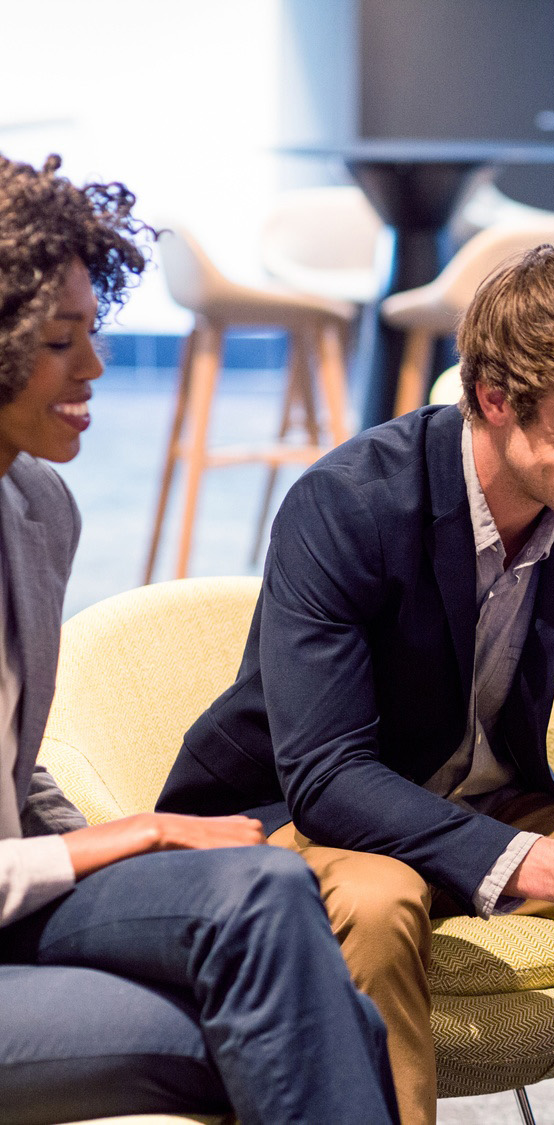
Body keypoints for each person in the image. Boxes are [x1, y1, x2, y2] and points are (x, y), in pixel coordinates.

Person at [156, 243, 554, 1125]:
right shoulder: (349, 505)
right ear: (492, 399)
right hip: (298, 815)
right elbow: (327, 775)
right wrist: (550, 863)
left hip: (488, 805)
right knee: (377, 898)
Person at [0, 154, 398, 1124]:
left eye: (92, 333)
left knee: (262, 886)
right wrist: (130, 837)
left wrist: (123, 848)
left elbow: (12, 774)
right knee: (309, 1024)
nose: (93, 369)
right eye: (59, 342)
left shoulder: (36, 507)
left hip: (18, 897)